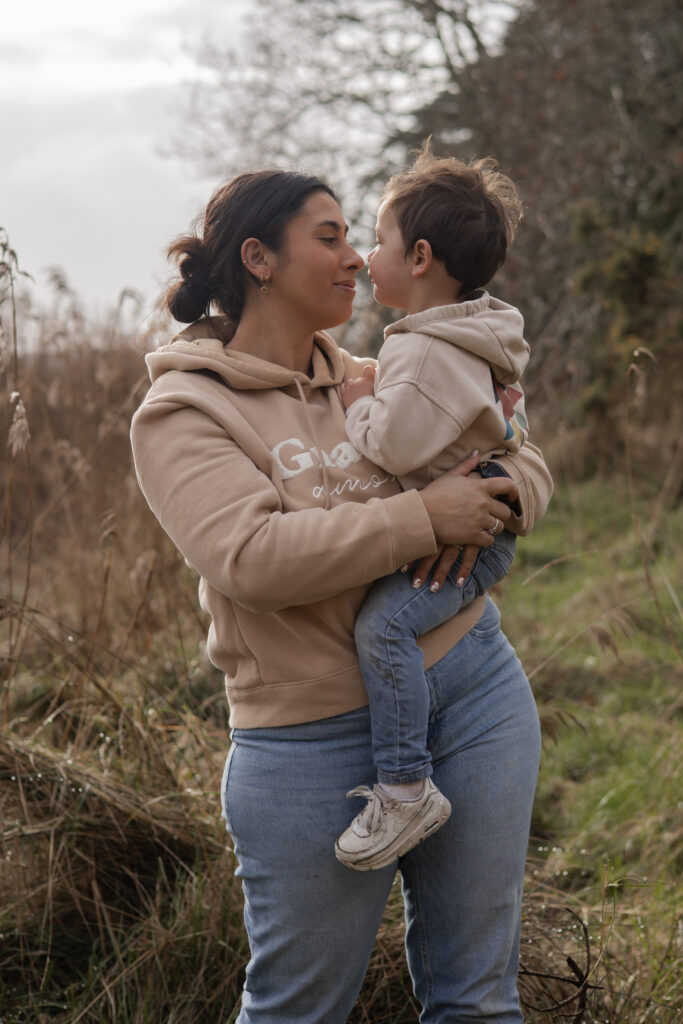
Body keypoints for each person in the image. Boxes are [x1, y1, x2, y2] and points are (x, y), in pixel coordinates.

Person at [130, 165, 553, 1023]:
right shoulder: (183, 411)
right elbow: (250, 559)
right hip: (309, 744)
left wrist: (503, 490)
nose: (357, 257)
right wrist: (426, 516)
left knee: (478, 998)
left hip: (474, 693)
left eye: (358, 236)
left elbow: (519, 453)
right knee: (298, 1009)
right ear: (257, 258)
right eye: (329, 237)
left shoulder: (375, 374)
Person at [334, 146, 531, 871]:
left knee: (384, 630)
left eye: (377, 241)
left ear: (419, 256)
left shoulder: (422, 352)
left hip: (465, 540)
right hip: (479, 532)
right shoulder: (474, 333)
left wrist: (359, 402)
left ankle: (404, 784)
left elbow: (395, 445)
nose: (364, 258)